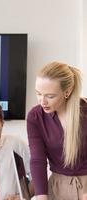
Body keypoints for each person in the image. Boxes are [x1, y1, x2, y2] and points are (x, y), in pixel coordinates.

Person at [27, 61, 87, 200]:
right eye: (38, 93)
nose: (42, 102)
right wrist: (41, 196)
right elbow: (38, 160)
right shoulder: (35, 117)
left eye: (50, 96)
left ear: (67, 91)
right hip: (57, 188)